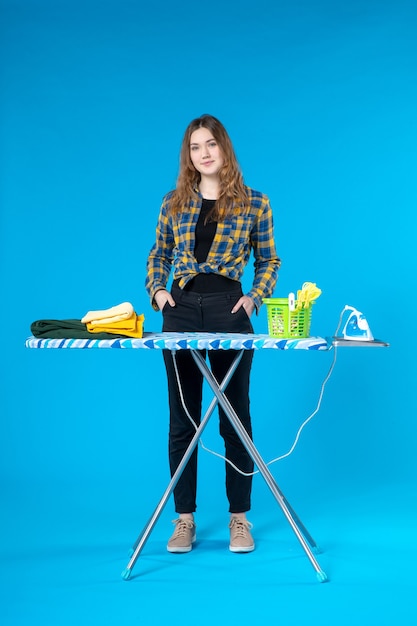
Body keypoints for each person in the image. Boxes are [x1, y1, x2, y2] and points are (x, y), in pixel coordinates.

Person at [145, 114, 280, 554]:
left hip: (228, 309)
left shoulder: (255, 203)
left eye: (211, 145)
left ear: (224, 149)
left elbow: (269, 261)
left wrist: (254, 298)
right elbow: (157, 255)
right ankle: (183, 520)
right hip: (181, 311)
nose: (203, 153)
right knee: (183, 420)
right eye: (195, 147)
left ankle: (240, 519)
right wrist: (159, 293)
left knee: (234, 419)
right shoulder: (173, 202)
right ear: (189, 155)